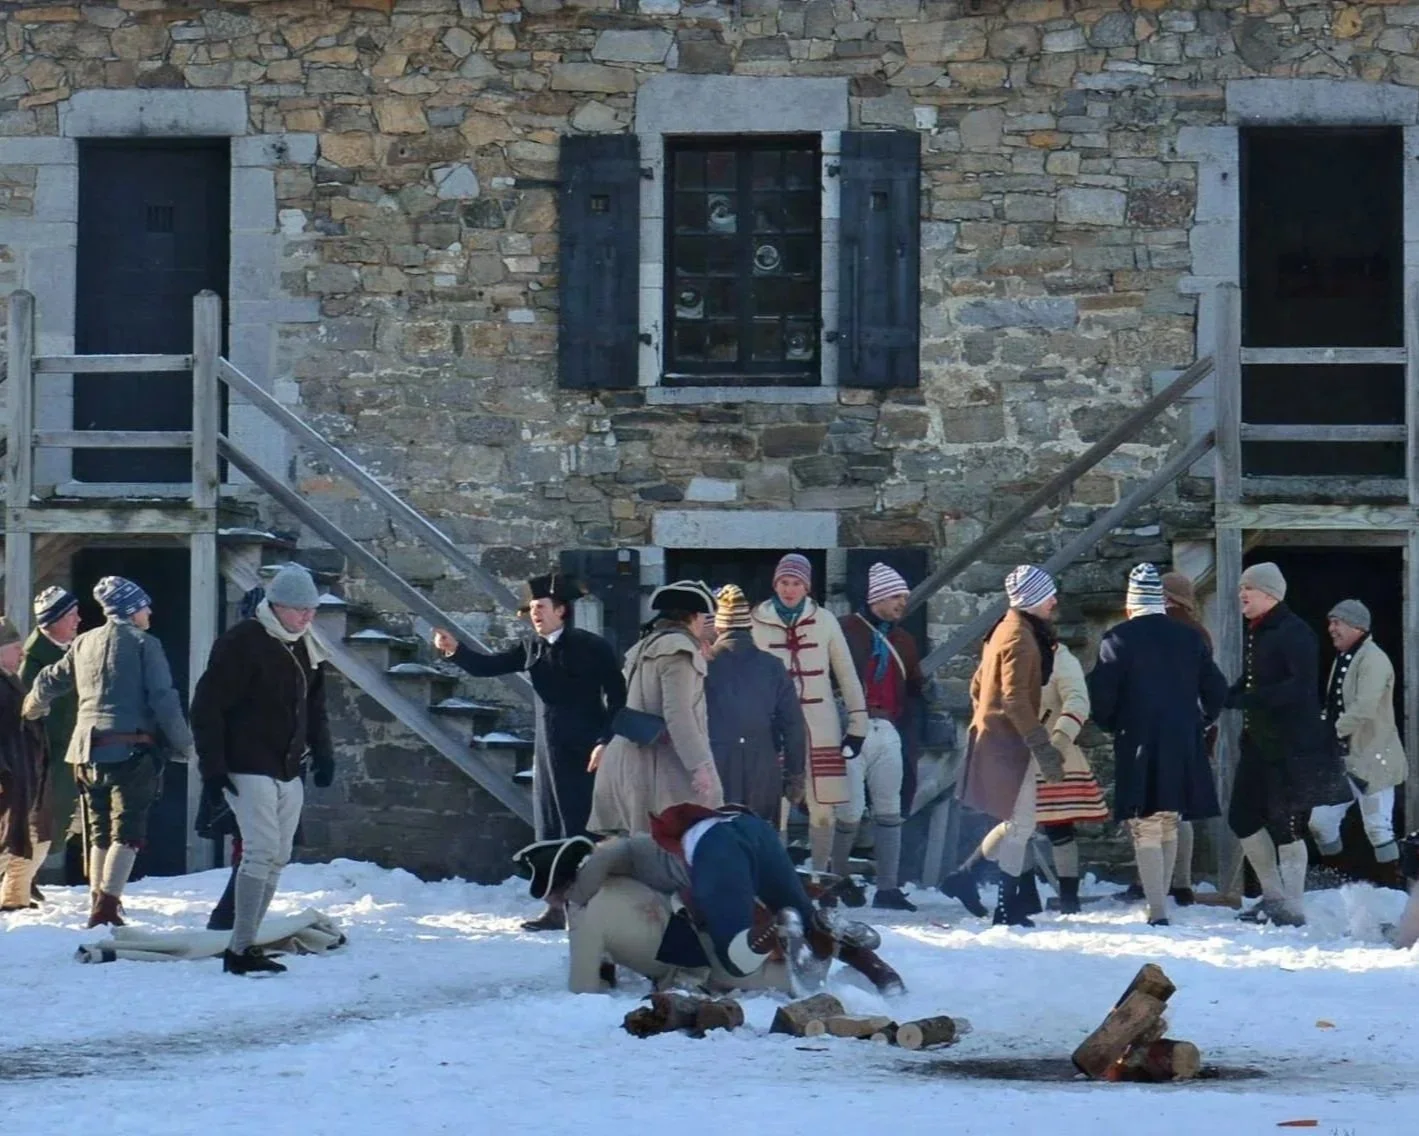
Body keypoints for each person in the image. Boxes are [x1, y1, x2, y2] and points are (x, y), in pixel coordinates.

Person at [434, 572, 625, 931]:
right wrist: (454, 650)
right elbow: (488, 666)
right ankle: (556, 907)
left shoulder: (592, 647)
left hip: (585, 751)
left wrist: (605, 741)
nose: (534, 614)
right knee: (550, 830)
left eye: (541, 607)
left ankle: (595, 907)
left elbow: (618, 698)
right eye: (532, 609)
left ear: (562, 610)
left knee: (584, 829)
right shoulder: (532, 648)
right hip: (548, 751)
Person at [558, 803, 882, 995]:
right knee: (804, 913)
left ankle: (780, 922)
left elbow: (601, 861)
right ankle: (822, 921)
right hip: (751, 828)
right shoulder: (640, 864)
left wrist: (574, 898)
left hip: (715, 850)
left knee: (735, 955)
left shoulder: (620, 853)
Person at [23, 576, 196, 928]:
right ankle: (106, 906)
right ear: (131, 610)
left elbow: (47, 680)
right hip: (130, 750)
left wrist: (31, 709)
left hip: (85, 754)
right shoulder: (145, 644)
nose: (149, 611)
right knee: (127, 832)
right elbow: (164, 699)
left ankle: (98, 900)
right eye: (144, 605)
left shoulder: (83, 642)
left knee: (99, 831)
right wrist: (186, 746)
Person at [191, 564, 333, 976]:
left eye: (312, 609)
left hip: (288, 765)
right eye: (299, 609)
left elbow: (314, 708)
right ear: (276, 606)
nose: (307, 617)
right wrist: (214, 769)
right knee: (260, 851)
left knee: (279, 856)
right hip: (247, 762)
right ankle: (239, 947)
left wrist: (323, 754)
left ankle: (246, 941)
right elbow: (207, 708)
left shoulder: (307, 645)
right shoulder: (242, 643)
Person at [1088, 564, 1228, 927]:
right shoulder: (1189, 638)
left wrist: (1115, 725)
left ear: (1132, 604)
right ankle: (1162, 904)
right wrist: (1200, 721)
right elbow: (1216, 690)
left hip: (1139, 741)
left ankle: (1157, 912)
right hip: (1183, 740)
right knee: (1168, 819)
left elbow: (1100, 699)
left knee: (1147, 825)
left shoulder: (1118, 639)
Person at [1225, 563, 1350, 927]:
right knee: (1242, 817)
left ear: (1270, 594)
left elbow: (1300, 688)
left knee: (1288, 825)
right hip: (1258, 744)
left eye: (1247, 588)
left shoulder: (1295, 631)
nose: (1241, 595)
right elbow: (1253, 678)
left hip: (1291, 747)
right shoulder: (1259, 630)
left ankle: (1292, 908)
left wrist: (1249, 699)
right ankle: (1274, 896)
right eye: (1240, 588)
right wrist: (1227, 694)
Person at [953, 565, 1066, 928]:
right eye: (1048, 595)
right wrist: (1042, 746)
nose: (1054, 601)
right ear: (1031, 599)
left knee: (1015, 822)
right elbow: (1016, 700)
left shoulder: (1004, 627)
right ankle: (1005, 907)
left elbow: (977, 684)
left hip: (1000, 736)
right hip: (1008, 742)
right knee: (1020, 825)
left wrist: (985, 717)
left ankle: (965, 877)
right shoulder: (1019, 636)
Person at [751, 553, 869, 881]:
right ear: (776, 584)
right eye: (784, 583)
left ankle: (820, 878)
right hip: (772, 723)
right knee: (776, 805)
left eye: (796, 583)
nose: (790, 590)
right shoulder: (756, 621)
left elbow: (846, 673)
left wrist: (858, 723)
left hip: (821, 724)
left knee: (823, 804)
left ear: (807, 587)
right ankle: (774, 879)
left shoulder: (826, 620)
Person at [587, 581, 722, 837]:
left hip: (628, 764)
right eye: (706, 616)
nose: (709, 622)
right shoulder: (679, 651)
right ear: (692, 617)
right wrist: (699, 766)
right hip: (659, 768)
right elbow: (679, 714)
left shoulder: (644, 647)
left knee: (637, 850)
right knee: (677, 845)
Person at [839, 562, 926, 911]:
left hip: (887, 727)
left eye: (904, 596)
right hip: (849, 727)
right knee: (849, 810)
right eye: (896, 596)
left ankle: (887, 888)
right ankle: (835, 879)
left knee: (889, 809)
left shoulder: (903, 640)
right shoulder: (844, 631)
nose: (902, 603)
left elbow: (914, 685)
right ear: (877, 598)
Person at [1307, 600, 1408, 887]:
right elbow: (1337, 704)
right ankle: (1336, 882)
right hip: (1344, 759)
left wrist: (1328, 733)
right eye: (1330, 623)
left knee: (1377, 827)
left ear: (1357, 626)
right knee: (1321, 823)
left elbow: (1363, 708)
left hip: (1374, 759)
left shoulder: (1374, 659)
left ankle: (1393, 890)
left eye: (1337, 623)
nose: (1331, 629)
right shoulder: (1345, 657)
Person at [705, 584, 807, 824]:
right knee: (758, 842)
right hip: (762, 766)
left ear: (719, 625)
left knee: (715, 841)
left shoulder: (702, 665)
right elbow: (793, 726)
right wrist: (795, 777)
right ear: (749, 625)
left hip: (713, 766)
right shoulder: (772, 666)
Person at [1035, 639, 1108, 914]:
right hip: (1015, 751)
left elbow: (1077, 700)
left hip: (1053, 749)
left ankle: (1068, 896)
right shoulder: (1008, 648)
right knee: (1014, 826)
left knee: (1058, 824)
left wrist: (1059, 741)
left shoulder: (1059, 657)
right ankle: (1021, 893)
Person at [18, 587, 83, 895]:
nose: (78, 620)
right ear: (53, 620)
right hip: (46, 755)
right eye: (70, 616)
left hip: (68, 750)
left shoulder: (64, 651)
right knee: (43, 820)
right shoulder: (33, 662)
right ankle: (22, 880)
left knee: (64, 820)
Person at [1160, 570, 1215, 905]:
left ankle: (1161, 881)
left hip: (1165, 727)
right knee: (1179, 810)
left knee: (1155, 810)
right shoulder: (1200, 632)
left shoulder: (1166, 629)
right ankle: (1180, 882)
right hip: (1192, 726)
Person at [0, 618, 52, 912]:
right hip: (8, 773)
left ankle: (14, 898)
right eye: (16, 648)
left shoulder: (11, 680)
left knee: (26, 836)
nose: (22, 655)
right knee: (7, 838)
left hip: (23, 772)